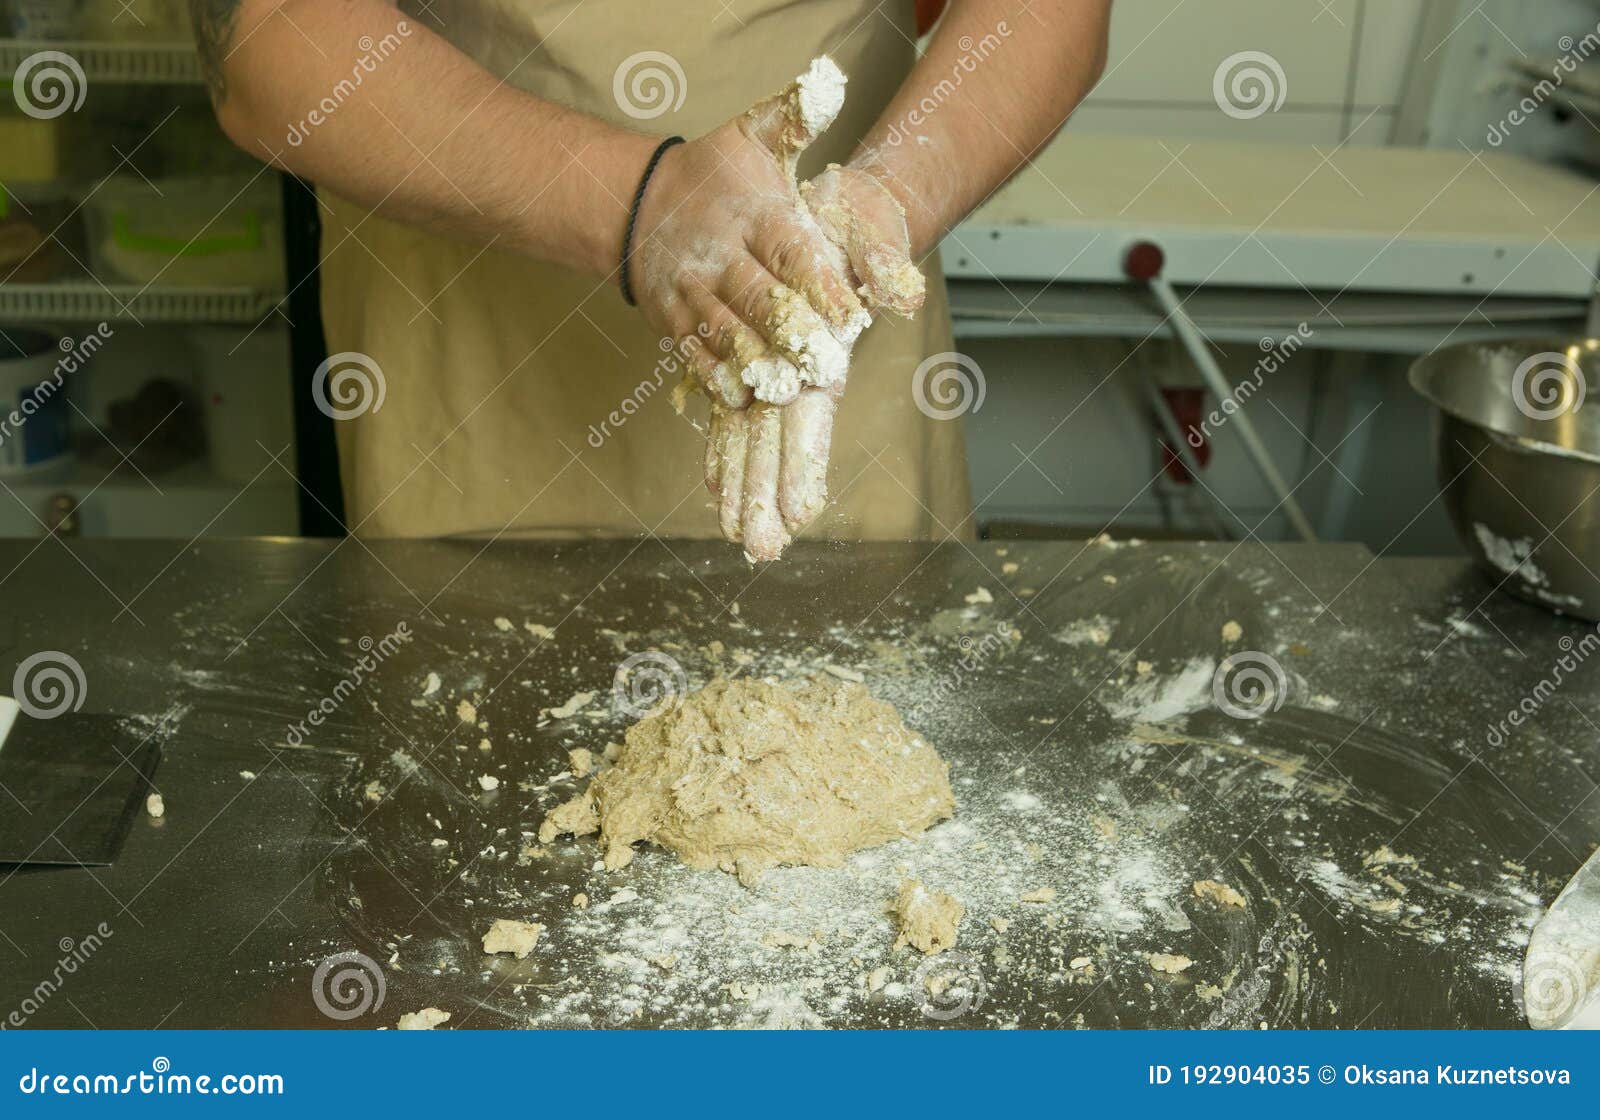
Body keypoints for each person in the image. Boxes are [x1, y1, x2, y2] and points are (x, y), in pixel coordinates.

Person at [193, 0, 1110, 558]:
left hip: (829, 334)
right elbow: (264, 37)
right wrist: (641, 205)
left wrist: (881, 206)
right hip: (473, 404)